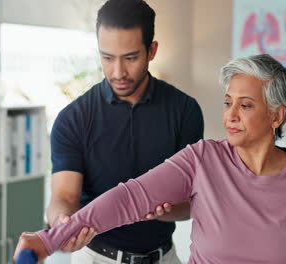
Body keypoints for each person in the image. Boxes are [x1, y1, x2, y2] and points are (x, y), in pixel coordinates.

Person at [14, 54, 286, 264]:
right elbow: (130, 196)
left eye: (246, 105)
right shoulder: (203, 159)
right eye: (227, 103)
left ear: (276, 115)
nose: (231, 116)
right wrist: (46, 240)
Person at [44, 0, 204, 263]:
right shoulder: (73, 118)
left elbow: (193, 203)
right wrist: (62, 221)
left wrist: (166, 210)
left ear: (151, 51)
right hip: (96, 257)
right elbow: (64, 196)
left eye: (130, 58)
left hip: (163, 257)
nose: (118, 72)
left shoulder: (185, 111)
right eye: (107, 58)